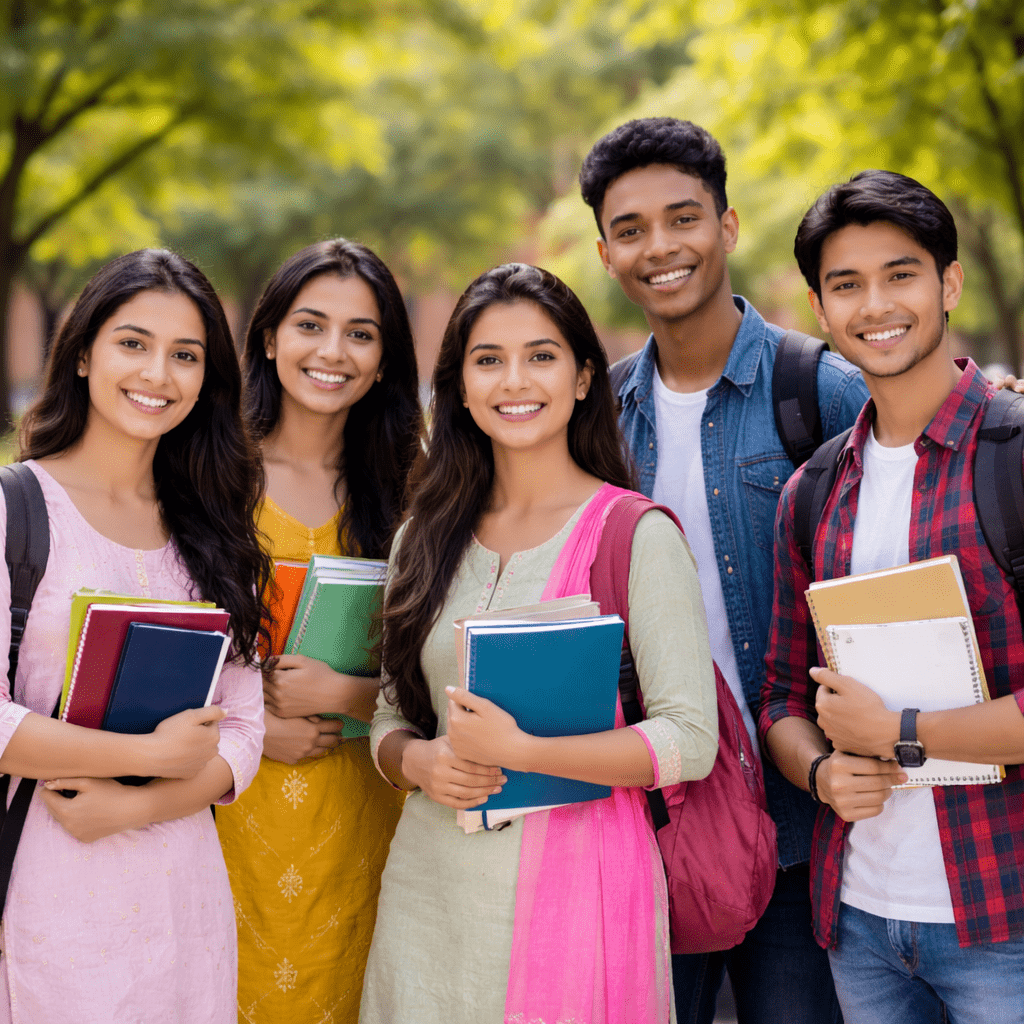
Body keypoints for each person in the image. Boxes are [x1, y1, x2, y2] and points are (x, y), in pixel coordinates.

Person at [358, 263, 718, 1024]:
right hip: (428, 898)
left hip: (579, 898)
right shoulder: (421, 538)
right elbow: (391, 715)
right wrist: (416, 762)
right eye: (488, 359)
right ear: (460, 387)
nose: (514, 380)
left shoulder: (635, 534)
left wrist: (526, 752)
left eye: (541, 356)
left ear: (584, 378)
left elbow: (689, 741)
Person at [579, 116, 867, 1024]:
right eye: (631, 230)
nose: (660, 247)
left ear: (728, 225)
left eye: (683, 218)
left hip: (800, 820)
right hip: (654, 816)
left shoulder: (820, 389)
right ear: (606, 254)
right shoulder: (600, 417)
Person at [760, 170, 1024, 1023]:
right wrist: (822, 770)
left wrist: (904, 734)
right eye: (847, 285)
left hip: (1007, 919)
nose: (876, 305)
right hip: (861, 924)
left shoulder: (1014, 457)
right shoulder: (811, 492)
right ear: (819, 309)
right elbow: (779, 694)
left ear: (949, 283)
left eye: (900, 274)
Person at [0, 249, 268, 1022]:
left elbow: (245, 728)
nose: (158, 373)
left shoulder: (215, 530)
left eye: (186, 355)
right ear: (83, 353)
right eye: (133, 343)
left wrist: (138, 805)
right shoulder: (17, 510)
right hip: (44, 893)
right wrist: (147, 756)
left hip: (185, 907)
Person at [216, 239, 420, 1024]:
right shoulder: (206, 474)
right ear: (270, 337)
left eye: (360, 334)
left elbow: (447, 671)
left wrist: (350, 693)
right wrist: (249, 725)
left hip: (368, 811)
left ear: (383, 361)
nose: (332, 352)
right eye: (310, 325)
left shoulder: (415, 492)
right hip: (227, 812)